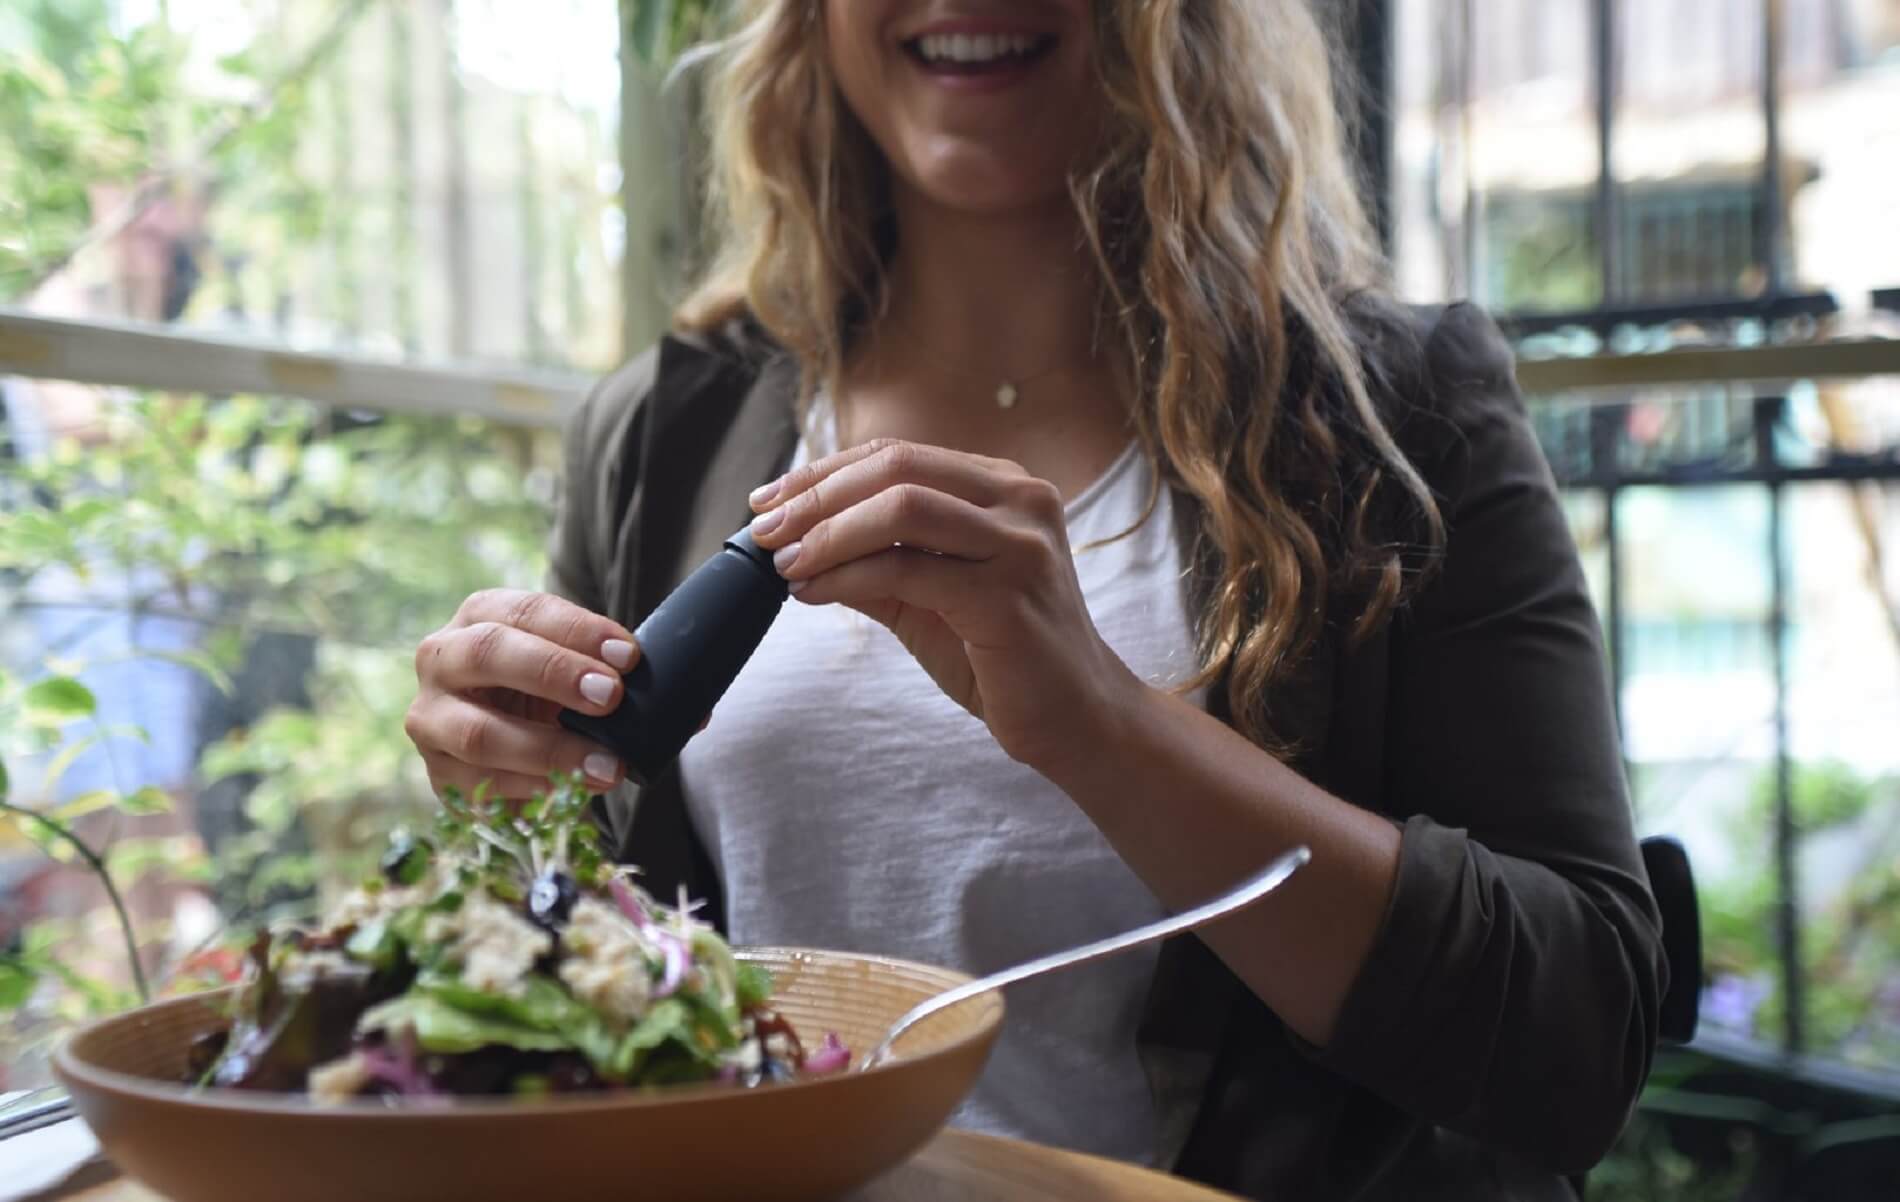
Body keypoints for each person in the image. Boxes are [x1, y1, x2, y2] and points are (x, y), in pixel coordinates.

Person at [405, 2, 1667, 1198]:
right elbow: (578, 974)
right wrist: (508, 820)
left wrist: (1102, 721)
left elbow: (1577, 1038)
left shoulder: (1404, 411)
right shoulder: (664, 429)